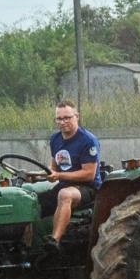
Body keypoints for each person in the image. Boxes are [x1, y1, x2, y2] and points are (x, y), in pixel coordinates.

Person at [42, 100, 101, 248]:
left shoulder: (88, 140)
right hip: (64, 184)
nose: (63, 122)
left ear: (77, 116)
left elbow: (89, 174)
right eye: (59, 119)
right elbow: (53, 167)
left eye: (67, 117)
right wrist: (35, 175)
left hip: (88, 188)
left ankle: (54, 241)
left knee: (64, 195)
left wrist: (59, 176)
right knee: (31, 202)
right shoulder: (55, 139)